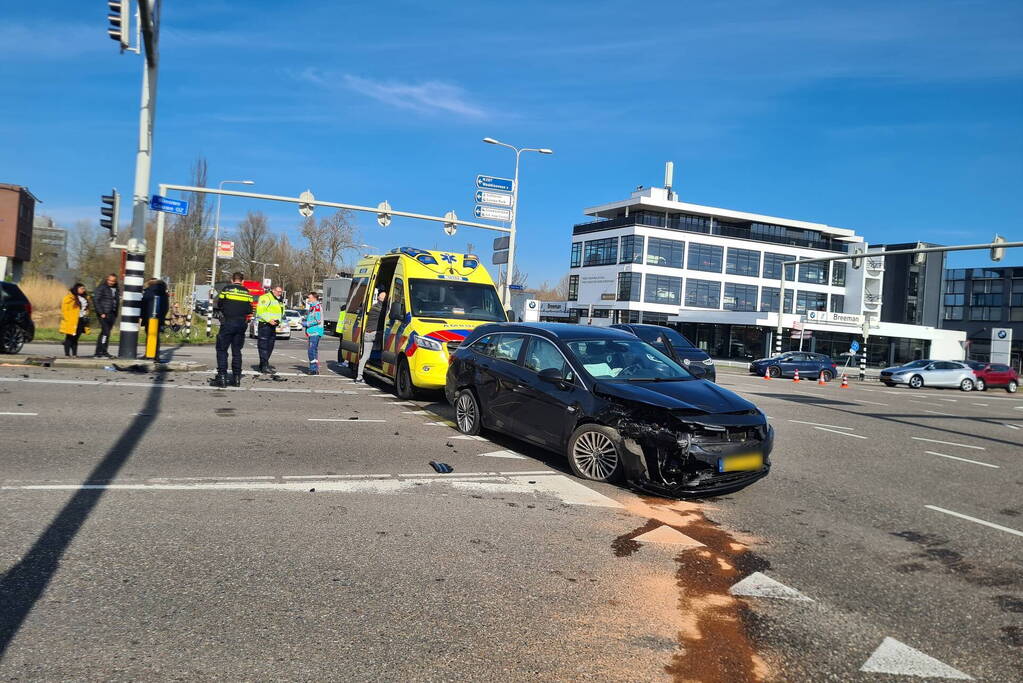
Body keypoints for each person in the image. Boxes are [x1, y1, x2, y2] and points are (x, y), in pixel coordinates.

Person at [209, 272, 254, 387]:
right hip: (241, 324)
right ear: (242, 281)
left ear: (232, 280)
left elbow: (219, 304)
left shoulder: (226, 289)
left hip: (228, 322)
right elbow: (250, 309)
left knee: (222, 350)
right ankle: (236, 378)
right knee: (237, 351)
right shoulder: (246, 292)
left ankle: (222, 378)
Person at [355, 290, 386, 383]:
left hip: (367, 334)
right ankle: (382, 363)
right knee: (388, 341)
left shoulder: (373, 308)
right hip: (376, 334)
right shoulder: (382, 310)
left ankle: (359, 376)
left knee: (365, 355)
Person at [255, 284, 285, 374]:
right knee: (264, 346)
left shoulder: (279, 299)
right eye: (278, 291)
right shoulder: (266, 297)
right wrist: (269, 320)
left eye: (281, 292)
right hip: (265, 325)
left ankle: (263, 364)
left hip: (273, 325)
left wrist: (280, 323)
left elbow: (281, 312)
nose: (280, 293)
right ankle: (264, 366)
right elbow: (260, 311)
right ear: (273, 290)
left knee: (270, 346)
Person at [93, 273, 119, 358]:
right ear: (107, 279)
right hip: (104, 314)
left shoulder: (116, 289)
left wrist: (115, 313)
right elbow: (96, 300)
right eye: (110, 280)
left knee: (105, 333)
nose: (111, 282)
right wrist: (101, 313)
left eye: (113, 281)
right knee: (105, 332)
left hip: (112, 314)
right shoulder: (102, 288)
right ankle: (101, 352)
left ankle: (100, 351)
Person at [59, 283, 89, 357]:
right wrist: (67, 318)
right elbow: (64, 309)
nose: (83, 290)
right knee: (69, 337)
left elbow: (85, 308)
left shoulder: (84, 297)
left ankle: (74, 354)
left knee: (76, 337)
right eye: (81, 288)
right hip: (72, 320)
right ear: (76, 289)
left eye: (84, 289)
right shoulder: (69, 297)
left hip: (81, 319)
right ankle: (67, 354)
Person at [302, 292, 324, 375]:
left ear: (314, 298)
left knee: (311, 350)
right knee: (314, 351)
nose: (308, 299)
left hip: (315, 331)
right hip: (312, 332)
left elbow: (318, 320)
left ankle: (313, 369)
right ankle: (315, 368)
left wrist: (307, 324)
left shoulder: (317, 307)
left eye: (309, 297)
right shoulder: (312, 307)